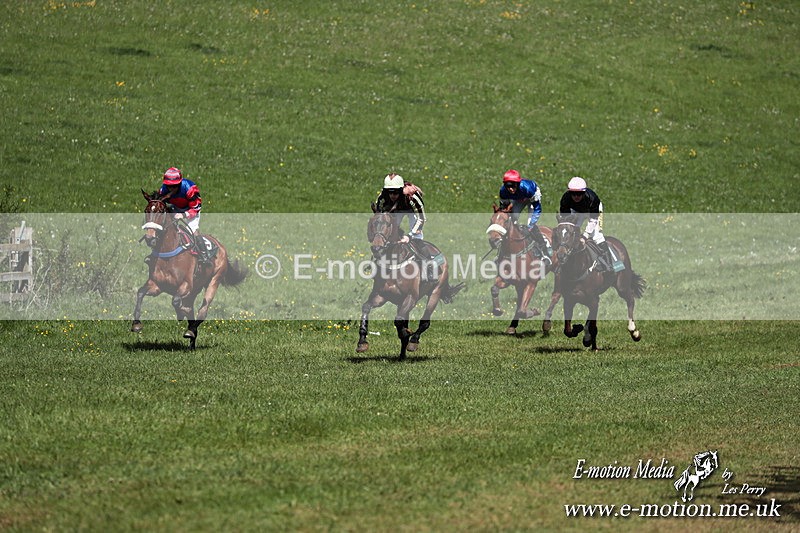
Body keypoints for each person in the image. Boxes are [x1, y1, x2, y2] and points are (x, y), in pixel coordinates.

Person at [558, 176, 618, 272]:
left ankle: (609, 264)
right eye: (573, 193)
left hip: (593, 211)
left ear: (584, 192)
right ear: (569, 192)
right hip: (577, 211)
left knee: (596, 236)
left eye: (579, 194)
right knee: (571, 233)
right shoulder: (565, 199)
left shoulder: (593, 199)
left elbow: (593, 220)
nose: (576, 196)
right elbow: (566, 220)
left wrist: (585, 236)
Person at [498, 169, 552, 264]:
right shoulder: (503, 191)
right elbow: (504, 210)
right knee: (511, 220)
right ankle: (504, 252)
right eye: (508, 186)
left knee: (530, 225)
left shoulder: (528, 189)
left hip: (531, 197)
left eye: (513, 185)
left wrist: (530, 226)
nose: (510, 189)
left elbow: (537, 209)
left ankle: (545, 249)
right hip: (519, 199)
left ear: (518, 184)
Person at [158, 167, 210, 263]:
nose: (171, 189)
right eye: (169, 186)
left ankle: (204, 255)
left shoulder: (190, 188)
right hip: (175, 208)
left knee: (193, 230)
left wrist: (184, 215)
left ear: (179, 183)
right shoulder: (163, 190)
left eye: (174, 186)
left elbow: (196, 207)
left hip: (191, 209)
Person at [374, 173, 426, 243]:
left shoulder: (412, 196)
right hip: (398, 209)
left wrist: (409, 236)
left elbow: (421, 218)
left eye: (396, 192)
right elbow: (379, 215)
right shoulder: (382, 196)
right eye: (389, 192)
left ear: (401, 190)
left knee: (416, 234)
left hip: (411, 209)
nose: (392, 195)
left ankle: (418, 244)